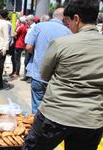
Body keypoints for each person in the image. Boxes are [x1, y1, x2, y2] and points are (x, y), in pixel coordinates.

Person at [23, 0, 103, 149]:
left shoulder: (61, 43)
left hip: (55, 115)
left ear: (77, 19)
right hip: (91, 120)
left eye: (68, 22)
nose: (68, 26)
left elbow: (44, 75)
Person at [24, 8, 71, 114]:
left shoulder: (39, 26)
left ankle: (37, 128)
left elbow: (28, 47)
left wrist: (37, 54)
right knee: (53, 110)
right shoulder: (68, 32)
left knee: (37, 107)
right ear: (65, 18)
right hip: (56, 78)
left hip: (38, 74)